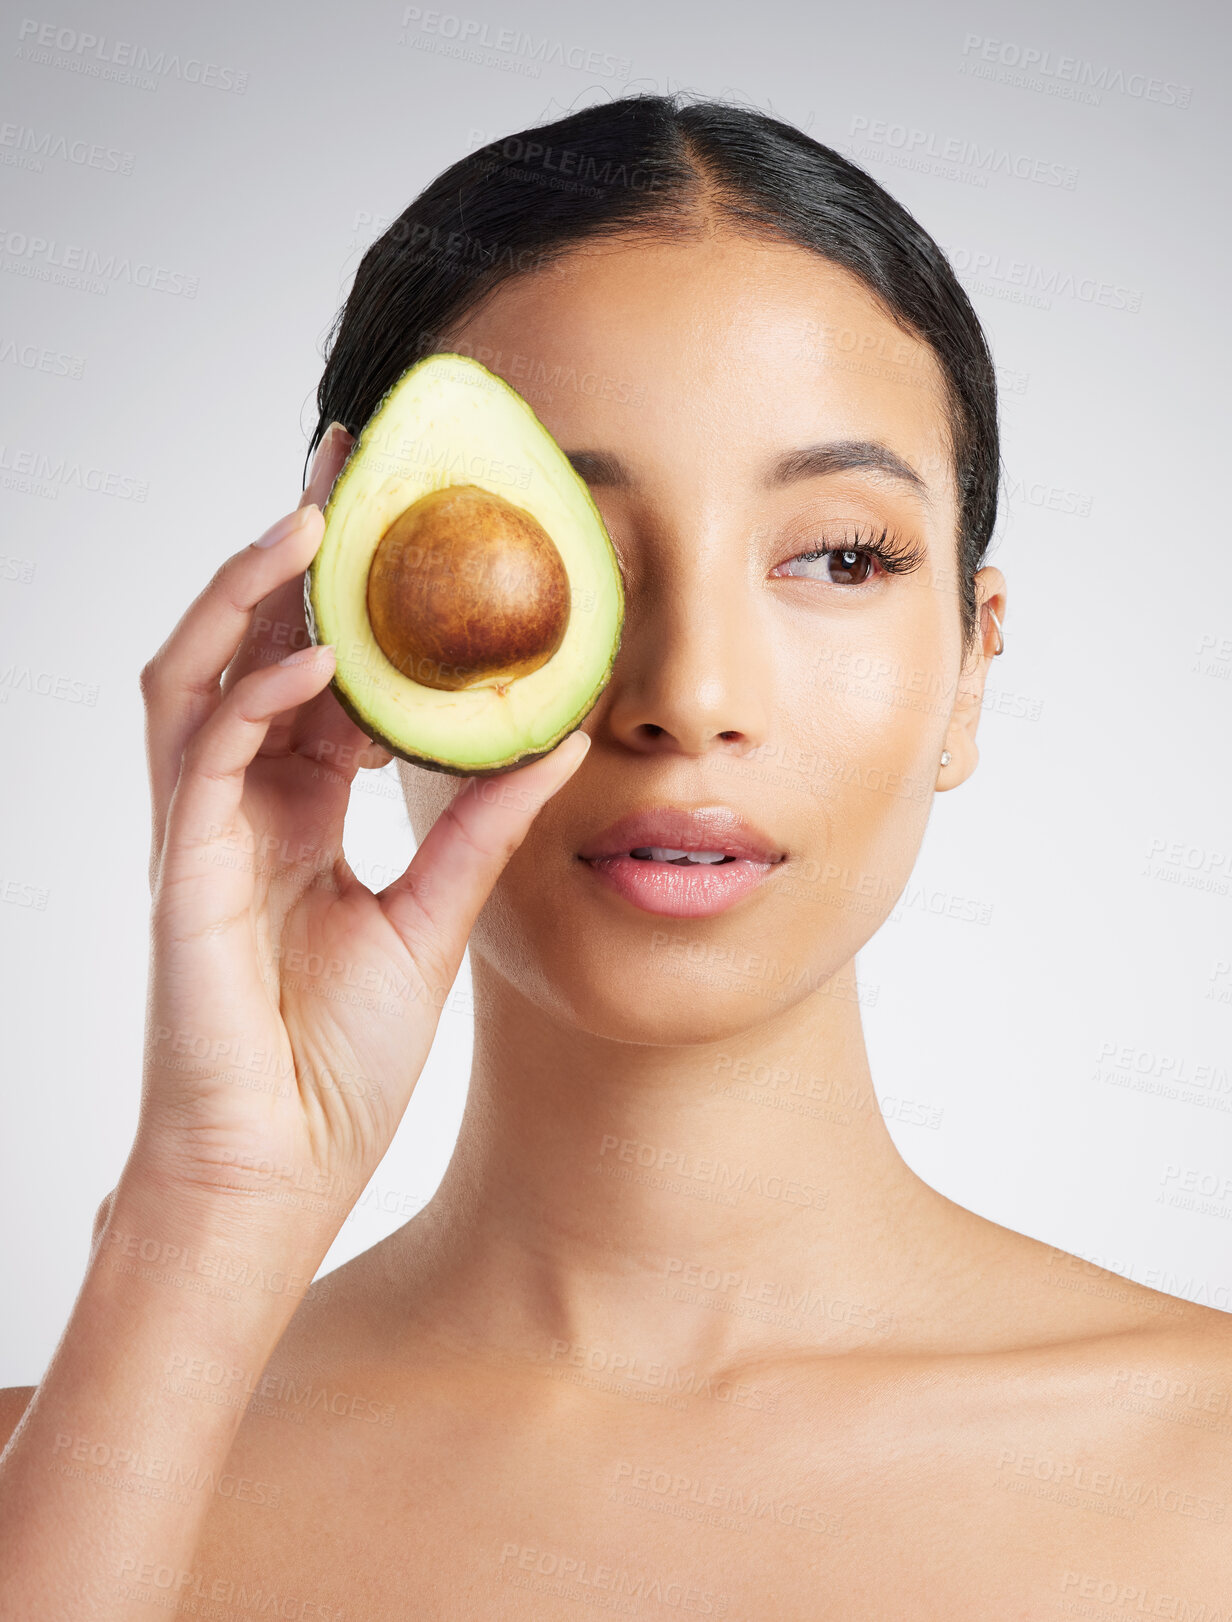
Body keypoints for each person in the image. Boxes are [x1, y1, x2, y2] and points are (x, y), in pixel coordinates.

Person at [1, 92, 1228, 1618]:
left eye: (837, 557)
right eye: (551, 547)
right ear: (355, 619)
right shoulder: (62, 1481)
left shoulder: (1209, 1471)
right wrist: (201, 1216)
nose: (691, 695)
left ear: (968, 670)